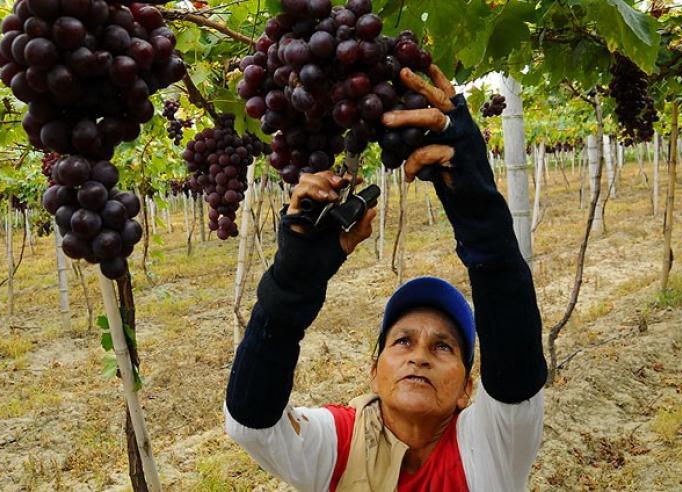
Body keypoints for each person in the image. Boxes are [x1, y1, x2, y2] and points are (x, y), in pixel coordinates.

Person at [224, 65, 548, 491]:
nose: (420, 356)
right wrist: (290, 287)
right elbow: (252, 426)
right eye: (403, 342)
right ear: (374, 373)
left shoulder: (491, 448)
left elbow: (515, 366)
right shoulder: (340, 443)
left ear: (467, 391)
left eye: (444, 347)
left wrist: (478, 210)